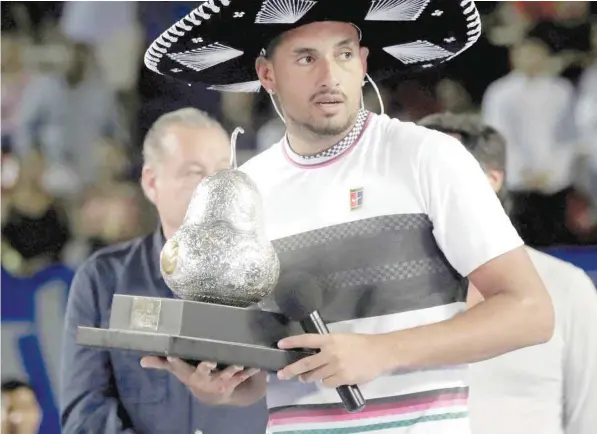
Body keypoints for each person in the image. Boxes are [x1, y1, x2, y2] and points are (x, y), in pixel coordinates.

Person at [143, 2, 554, 433]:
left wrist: (383, 351)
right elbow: (263, 371)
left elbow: (531, 312)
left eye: (343, 54)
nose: (330, 76)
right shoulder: (246, 188)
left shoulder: (429, 156)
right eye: (306, 58)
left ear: (362, 63)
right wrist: (219, 387)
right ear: (267, 75)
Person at [59, 108, 268, 434]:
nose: (216, 187)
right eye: (195, 173)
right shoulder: (103, 280)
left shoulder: (268, 277)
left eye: (224, 172)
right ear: (151, 182)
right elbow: (85, 416)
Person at [418, 112, 597, 434]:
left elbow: (590, 416)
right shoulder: (379, 288)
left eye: (442, 175)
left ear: (492, 180)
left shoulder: (565, 286)